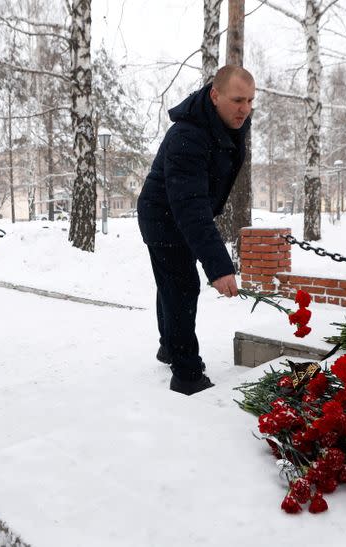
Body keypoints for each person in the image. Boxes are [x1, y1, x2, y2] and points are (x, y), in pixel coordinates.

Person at [137, 65, 255, 395]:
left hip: (182, 210)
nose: (244, 109)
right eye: (237, 100)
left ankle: (169, 346)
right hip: (162, 215)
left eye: (249, 100)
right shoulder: (187, 136)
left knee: (172, 282)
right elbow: (190, 207)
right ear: (215, 95)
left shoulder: (228, 123)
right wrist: (217, 266)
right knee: (182, 286)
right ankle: (187, 374)